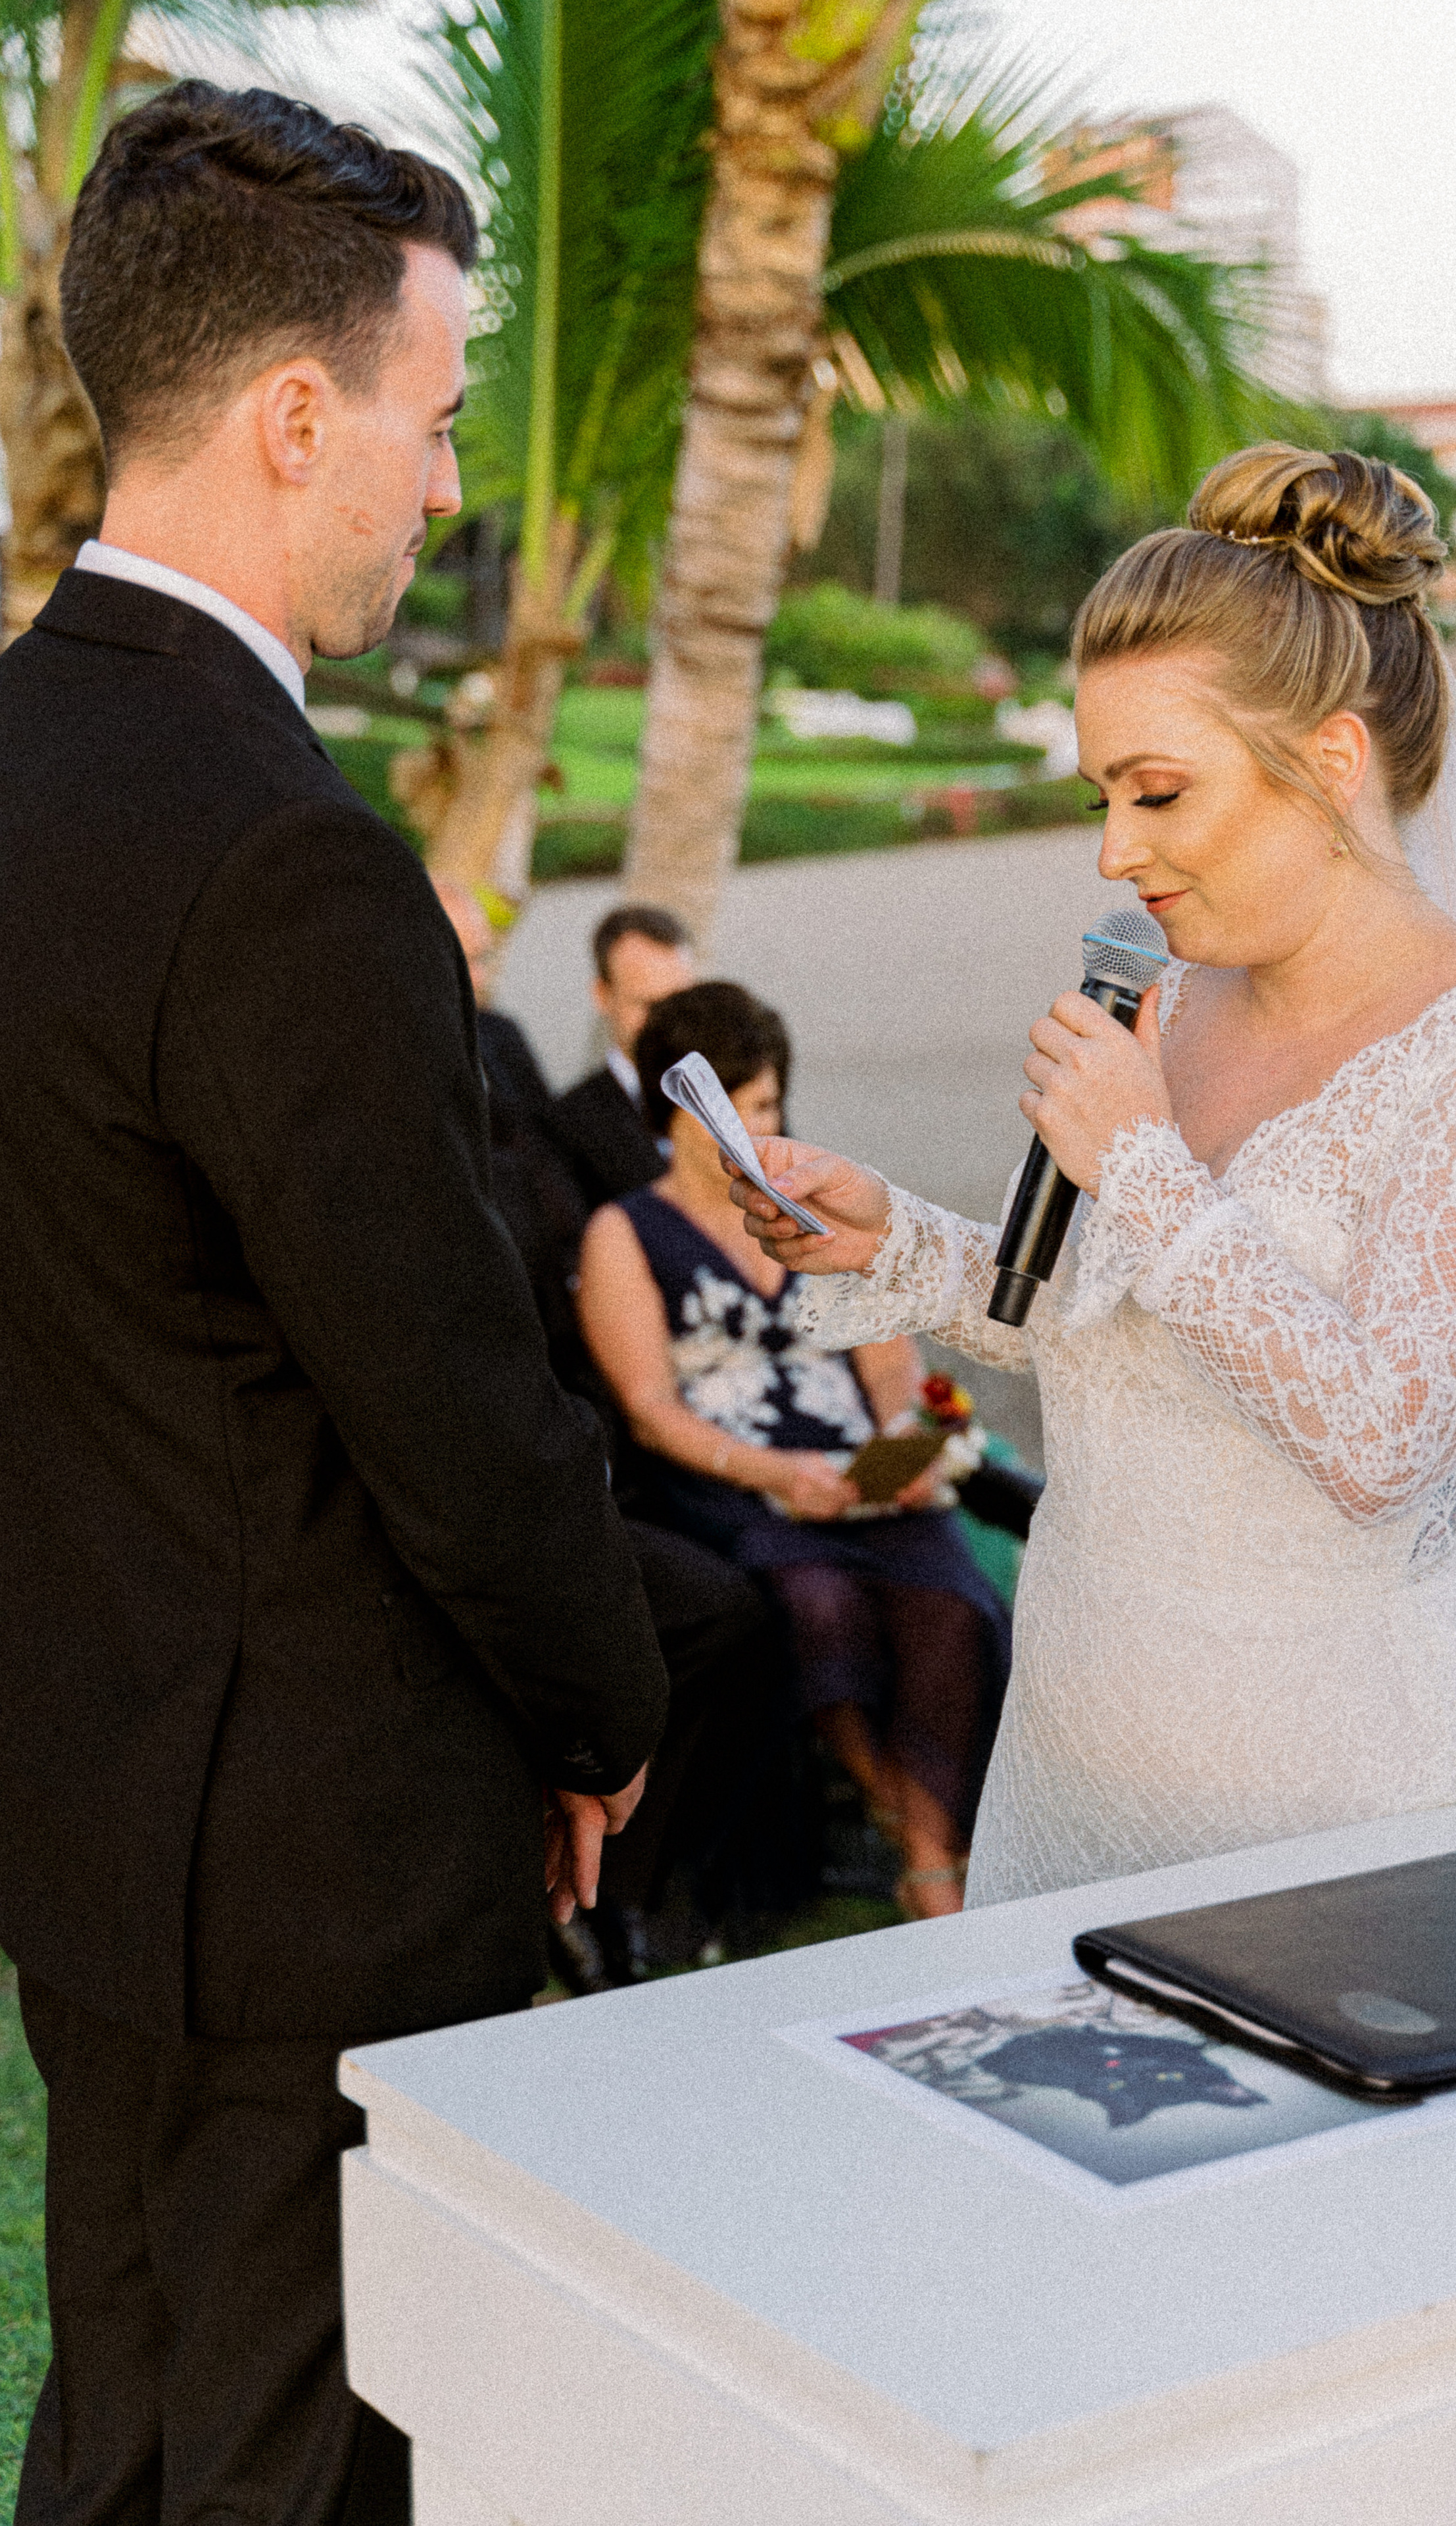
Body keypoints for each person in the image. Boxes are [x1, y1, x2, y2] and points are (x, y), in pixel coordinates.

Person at [0, 85, 670, 2526]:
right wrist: (604, 1709)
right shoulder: (284, 856)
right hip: (308, 1852)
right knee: (294, 2465)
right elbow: (457, 1409)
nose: (446, 477)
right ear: (301, 418)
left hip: (75, 1802)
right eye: (440, 406)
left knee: (123, 2421)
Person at [730, 443, 1456, 1910]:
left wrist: (1138, 1161)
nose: (1112, 849)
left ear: (1329, 763)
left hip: (1347, 1809)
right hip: (1081, 1762)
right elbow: (1119, 1341)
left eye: (1156, 794)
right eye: (1102, 796)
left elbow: (1377, 1444)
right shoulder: (1176, 1002)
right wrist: (896, 1240)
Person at [575, 981, 1011, 1918]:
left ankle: (933, 1838)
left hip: (860, 1467)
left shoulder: (807, 1201)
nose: (755, 1131)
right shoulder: (626, 1231)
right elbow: (650, 1408)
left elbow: (890, 1343)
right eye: (731, 1112)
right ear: (673, 1111)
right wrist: (778, 1473)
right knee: (818, 1606)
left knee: (952, 1607)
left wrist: (901, 1440)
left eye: (768, 1105)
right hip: (737, 1480)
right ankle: (913, 1833)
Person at [431, 876, 788, 1971]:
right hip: (507, 1464)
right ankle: (597, 1899)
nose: (477, 985)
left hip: (576, 1441)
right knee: (698, 1610)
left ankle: (630, 1890)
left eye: (484, 964)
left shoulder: (518, 1090)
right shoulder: (497, 1121)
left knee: (718, 1610)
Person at [549, 903, 697, 1204]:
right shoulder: (565, 1126)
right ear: (603, 996)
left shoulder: (735, 1089)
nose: (668, 1022)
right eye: (649, 1005)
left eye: (682, 1002)